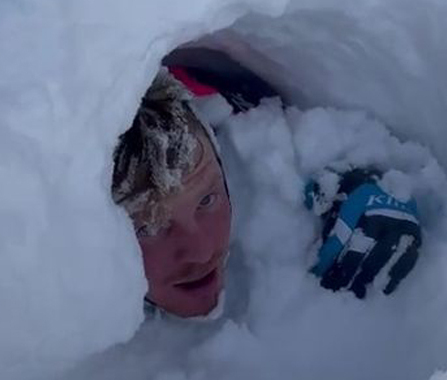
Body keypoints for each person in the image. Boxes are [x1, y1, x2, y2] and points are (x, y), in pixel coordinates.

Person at [111, 51, 422, 319]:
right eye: (147, 228)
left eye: (207, 200)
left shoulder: (232, 110)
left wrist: (363, 179)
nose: (201, 250)